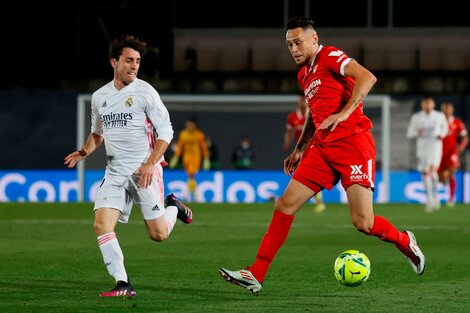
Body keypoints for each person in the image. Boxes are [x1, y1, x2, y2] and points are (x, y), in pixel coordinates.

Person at [218, 17, 426, 294]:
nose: (293, 48)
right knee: (284, 205)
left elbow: (368, 77)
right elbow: (315, 115)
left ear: (314, 39)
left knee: (363, 222)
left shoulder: (330, 55)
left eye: (297, 42)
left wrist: (345, 113)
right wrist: (300, 147)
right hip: (322, 148)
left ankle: (404, 241)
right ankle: (256, 273)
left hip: (353, 143)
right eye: (289, 44)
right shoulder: (304, 74)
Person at [64, 34, 193, 297]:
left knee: (158, 235)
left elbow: (166, 131)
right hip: (114, 172)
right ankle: (123, 283)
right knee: (101, 225)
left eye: (137, 61)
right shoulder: (100, 97)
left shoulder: (146, 92)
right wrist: (85, 150)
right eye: (129, 60)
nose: (134, 66)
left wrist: (149, 164)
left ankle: (173, 208)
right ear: (114, 62)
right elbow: (97, 133)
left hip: (144, 171)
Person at [283, 93, 326, 213]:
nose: (302, 102)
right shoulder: (292, 117)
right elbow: (289, 132)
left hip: (315, 148)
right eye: (300, 100)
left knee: (306, 173)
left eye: (304, 100)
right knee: (308, 174)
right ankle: (318, 202)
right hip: (301, 150)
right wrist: (286, 144)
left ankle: (316, 202)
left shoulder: (314, 113)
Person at [406, 96, 448, 213]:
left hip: (435, 147)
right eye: (426, 103)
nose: (428, 105)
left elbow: (445, 129)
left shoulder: (440, 116)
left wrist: (441, 134)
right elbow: (410, 133)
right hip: (422, 149)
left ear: (433, 104)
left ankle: (435, 198)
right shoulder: (417, 117)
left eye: (430, 103)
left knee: (432, 171)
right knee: (425, 174)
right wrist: (417, 132)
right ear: (422, 105)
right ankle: (429, 199)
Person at [169, 116, 210, 202]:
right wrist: (176, 157)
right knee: (190, 176)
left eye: (191, 124)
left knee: (191, 175)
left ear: (195, 125)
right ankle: (193, 195)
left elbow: (204, 147)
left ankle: (190, 196)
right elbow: (180, 147)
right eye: (188, 124)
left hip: (195, 158)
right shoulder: (183, 134)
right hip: (186, 158)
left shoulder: (199, 135)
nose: (189, 126)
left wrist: (206, 158)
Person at [437, 102, 468, 207]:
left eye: (448, 108)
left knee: (452, 172)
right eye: (444, 108)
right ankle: (443, 179)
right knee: (439, 177)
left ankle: (451, 199)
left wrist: (462, 146)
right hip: (438, 152)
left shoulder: (457, 122)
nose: (446, 110)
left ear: (452, 110)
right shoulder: (438, 122)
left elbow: (465, 136)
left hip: (452, 151)